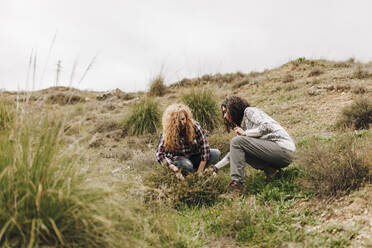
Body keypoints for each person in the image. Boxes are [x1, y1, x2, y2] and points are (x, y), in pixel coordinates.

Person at [208, 96, 296, 190]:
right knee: (238, 145)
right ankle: (271, 171)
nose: (224, 116)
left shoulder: (249, 111)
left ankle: (237, 185)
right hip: (276, 154)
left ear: (234, 108)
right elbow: (233, 153)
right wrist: (215, 167)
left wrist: (246, 133)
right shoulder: (243, 125)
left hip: (283, 149)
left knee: (237, 141)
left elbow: (267, 126)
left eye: (226, 111)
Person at [156, 103, 221, 180]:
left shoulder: (195, 127)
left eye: (183, 119)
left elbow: (205, 149)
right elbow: (160, 154)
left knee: (216, 153)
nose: (181, 123)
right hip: (180, 160)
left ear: (186, 117)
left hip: (194, 156)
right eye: (177, 121)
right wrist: (173, 168)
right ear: (171, 122)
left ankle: (197, 173)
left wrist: (199, 172)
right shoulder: (168, 132)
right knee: (187, 165)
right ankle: (186, 174)